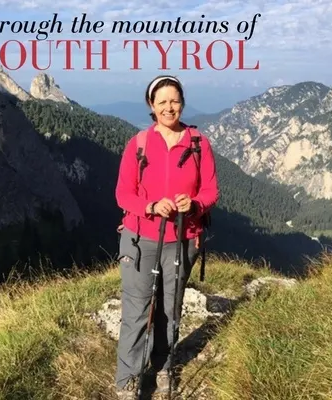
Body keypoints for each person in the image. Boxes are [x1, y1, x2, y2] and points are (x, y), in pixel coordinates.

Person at [114, 75, 219, 399]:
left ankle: (162, 369)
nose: (169, 107)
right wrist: (150, 205)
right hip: (140, 238)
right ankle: (128, 379)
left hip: (183, 237)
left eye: (174, 100)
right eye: (162, 102)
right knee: (136, 309)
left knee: (170, 309)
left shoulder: (198, 143)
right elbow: (122, 194)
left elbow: (211, 189)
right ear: (151, 106)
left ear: (182, 102)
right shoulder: (139, 144)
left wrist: (197, 203)